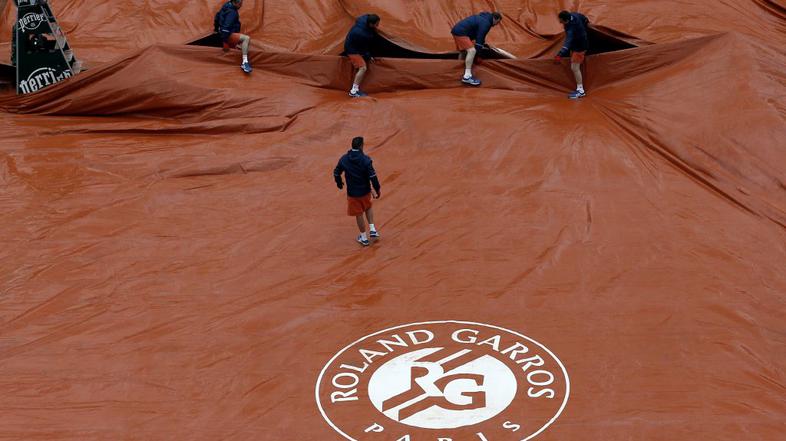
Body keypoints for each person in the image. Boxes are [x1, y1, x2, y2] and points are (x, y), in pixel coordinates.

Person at [334, 137, 381, 246]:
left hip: (353, 193)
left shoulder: (344, 159)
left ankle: (364, 238)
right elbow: (373, 176)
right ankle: (372, 229)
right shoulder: (366, 160)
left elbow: (336, 173)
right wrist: (377, 189)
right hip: (365, 191)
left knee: (358, 213)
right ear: (361, 146)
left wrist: (339, 183)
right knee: (368, 207)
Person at [451, 12, 502, 86]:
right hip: (461, 32)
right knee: (472, 51)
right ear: (495, 19)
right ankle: (467, 77)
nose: (497, 24)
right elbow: (479, 40)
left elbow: (479, 35)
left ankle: (459, 70)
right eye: (498, 22)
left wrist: (482, 44)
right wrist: (479, 55)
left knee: (464, 51)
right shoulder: (486, 23)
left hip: (458, 30)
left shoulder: (484, 18)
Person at [343, 14, 381, 98]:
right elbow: (362, 49)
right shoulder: (363, 35)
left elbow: (367, 15)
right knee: (363, 68)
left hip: (354, 43)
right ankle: (353, 91)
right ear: (371, 24)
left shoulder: (363, 19)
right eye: (376, 24)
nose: (378, 26)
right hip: (352, 50)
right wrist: (368, 56)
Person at [556, 10, 589, 99]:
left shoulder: (571, 28)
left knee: (574, 67)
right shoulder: (574, 15)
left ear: (565, 20)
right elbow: (585, 19)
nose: (559, 22)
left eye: (560, 21)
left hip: (579, 48)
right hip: (579, 43)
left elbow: (568, 41)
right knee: (574, 65)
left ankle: (580, 91)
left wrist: (561, 53)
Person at [214, 0, 252, 74]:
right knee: (246, 38)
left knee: (241, 40)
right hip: (226, 35)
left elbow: (217, 16)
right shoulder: (232, 13)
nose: (241, 6)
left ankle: (236, 44)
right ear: (235, 3)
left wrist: (216, 29)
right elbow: (226, 28)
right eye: (240, 4)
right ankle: (245, 62)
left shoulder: (227, 5)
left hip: (223, 32)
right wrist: (225, 42)